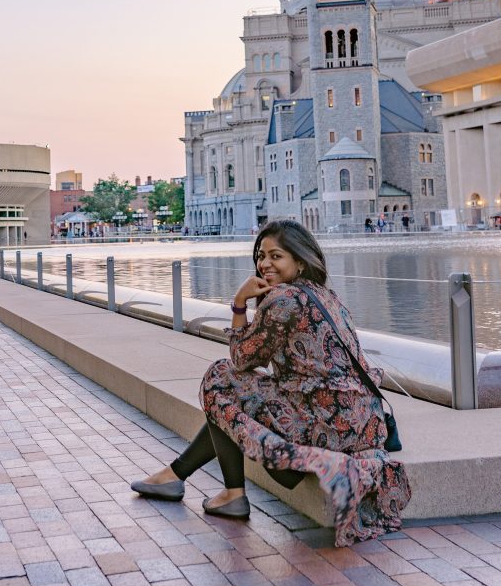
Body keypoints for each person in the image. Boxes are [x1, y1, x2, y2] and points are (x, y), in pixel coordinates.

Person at [131, 220, 411, 545]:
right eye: (261, 255)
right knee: (233, 398)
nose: (264, 264)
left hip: (327, 425)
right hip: (361, 423)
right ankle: (177, 476)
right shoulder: (325, 295)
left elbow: (240, 360)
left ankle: (230, 492)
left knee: (220, 379)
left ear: (300, 260)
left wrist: (239, 303)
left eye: (276, 256)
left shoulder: (284, 300)